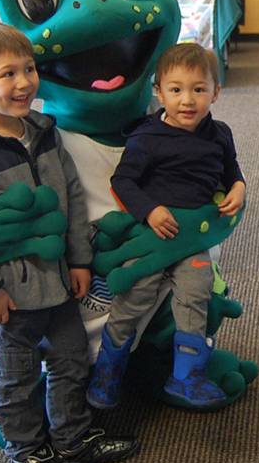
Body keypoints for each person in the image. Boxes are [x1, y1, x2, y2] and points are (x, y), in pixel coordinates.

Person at [0, 22, 140, 463]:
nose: (24, 82)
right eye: (7, 74)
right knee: (18, 375)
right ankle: (26, 450)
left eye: (28, 69)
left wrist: (79, 259)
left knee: (71, 360)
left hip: (58, 281)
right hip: (11, 294)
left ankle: (72, 438)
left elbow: (72, 197)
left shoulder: (43, 132)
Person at [87, 42, 246, 410]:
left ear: (215, 92)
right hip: (154, 239)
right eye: (176, 90)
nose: (187, 100)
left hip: (191, 243)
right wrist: (150, 211)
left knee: (196, 293)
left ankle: (187, 375)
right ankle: (108, 372)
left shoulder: (219, 133)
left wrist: (238, 186)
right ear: (159, 92)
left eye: (198, 89)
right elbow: (123, 181)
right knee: (135, 298)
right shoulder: (147, 137)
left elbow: (230, 169)